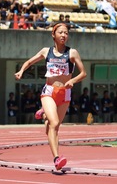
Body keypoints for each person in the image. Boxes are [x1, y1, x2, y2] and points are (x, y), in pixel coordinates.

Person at [15, 22, 86, 170]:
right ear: (53, 35)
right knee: (54, 124)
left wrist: (72, 80)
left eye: (66, 33)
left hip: (65, 93)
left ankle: (45, 114)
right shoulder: (46, 52)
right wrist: (21, 71)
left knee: (53, 128)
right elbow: (29, 62)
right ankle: (56, 158)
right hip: (49, 91)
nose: (63, 35)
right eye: (60, 32)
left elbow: (83, 73)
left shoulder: (72, 53)